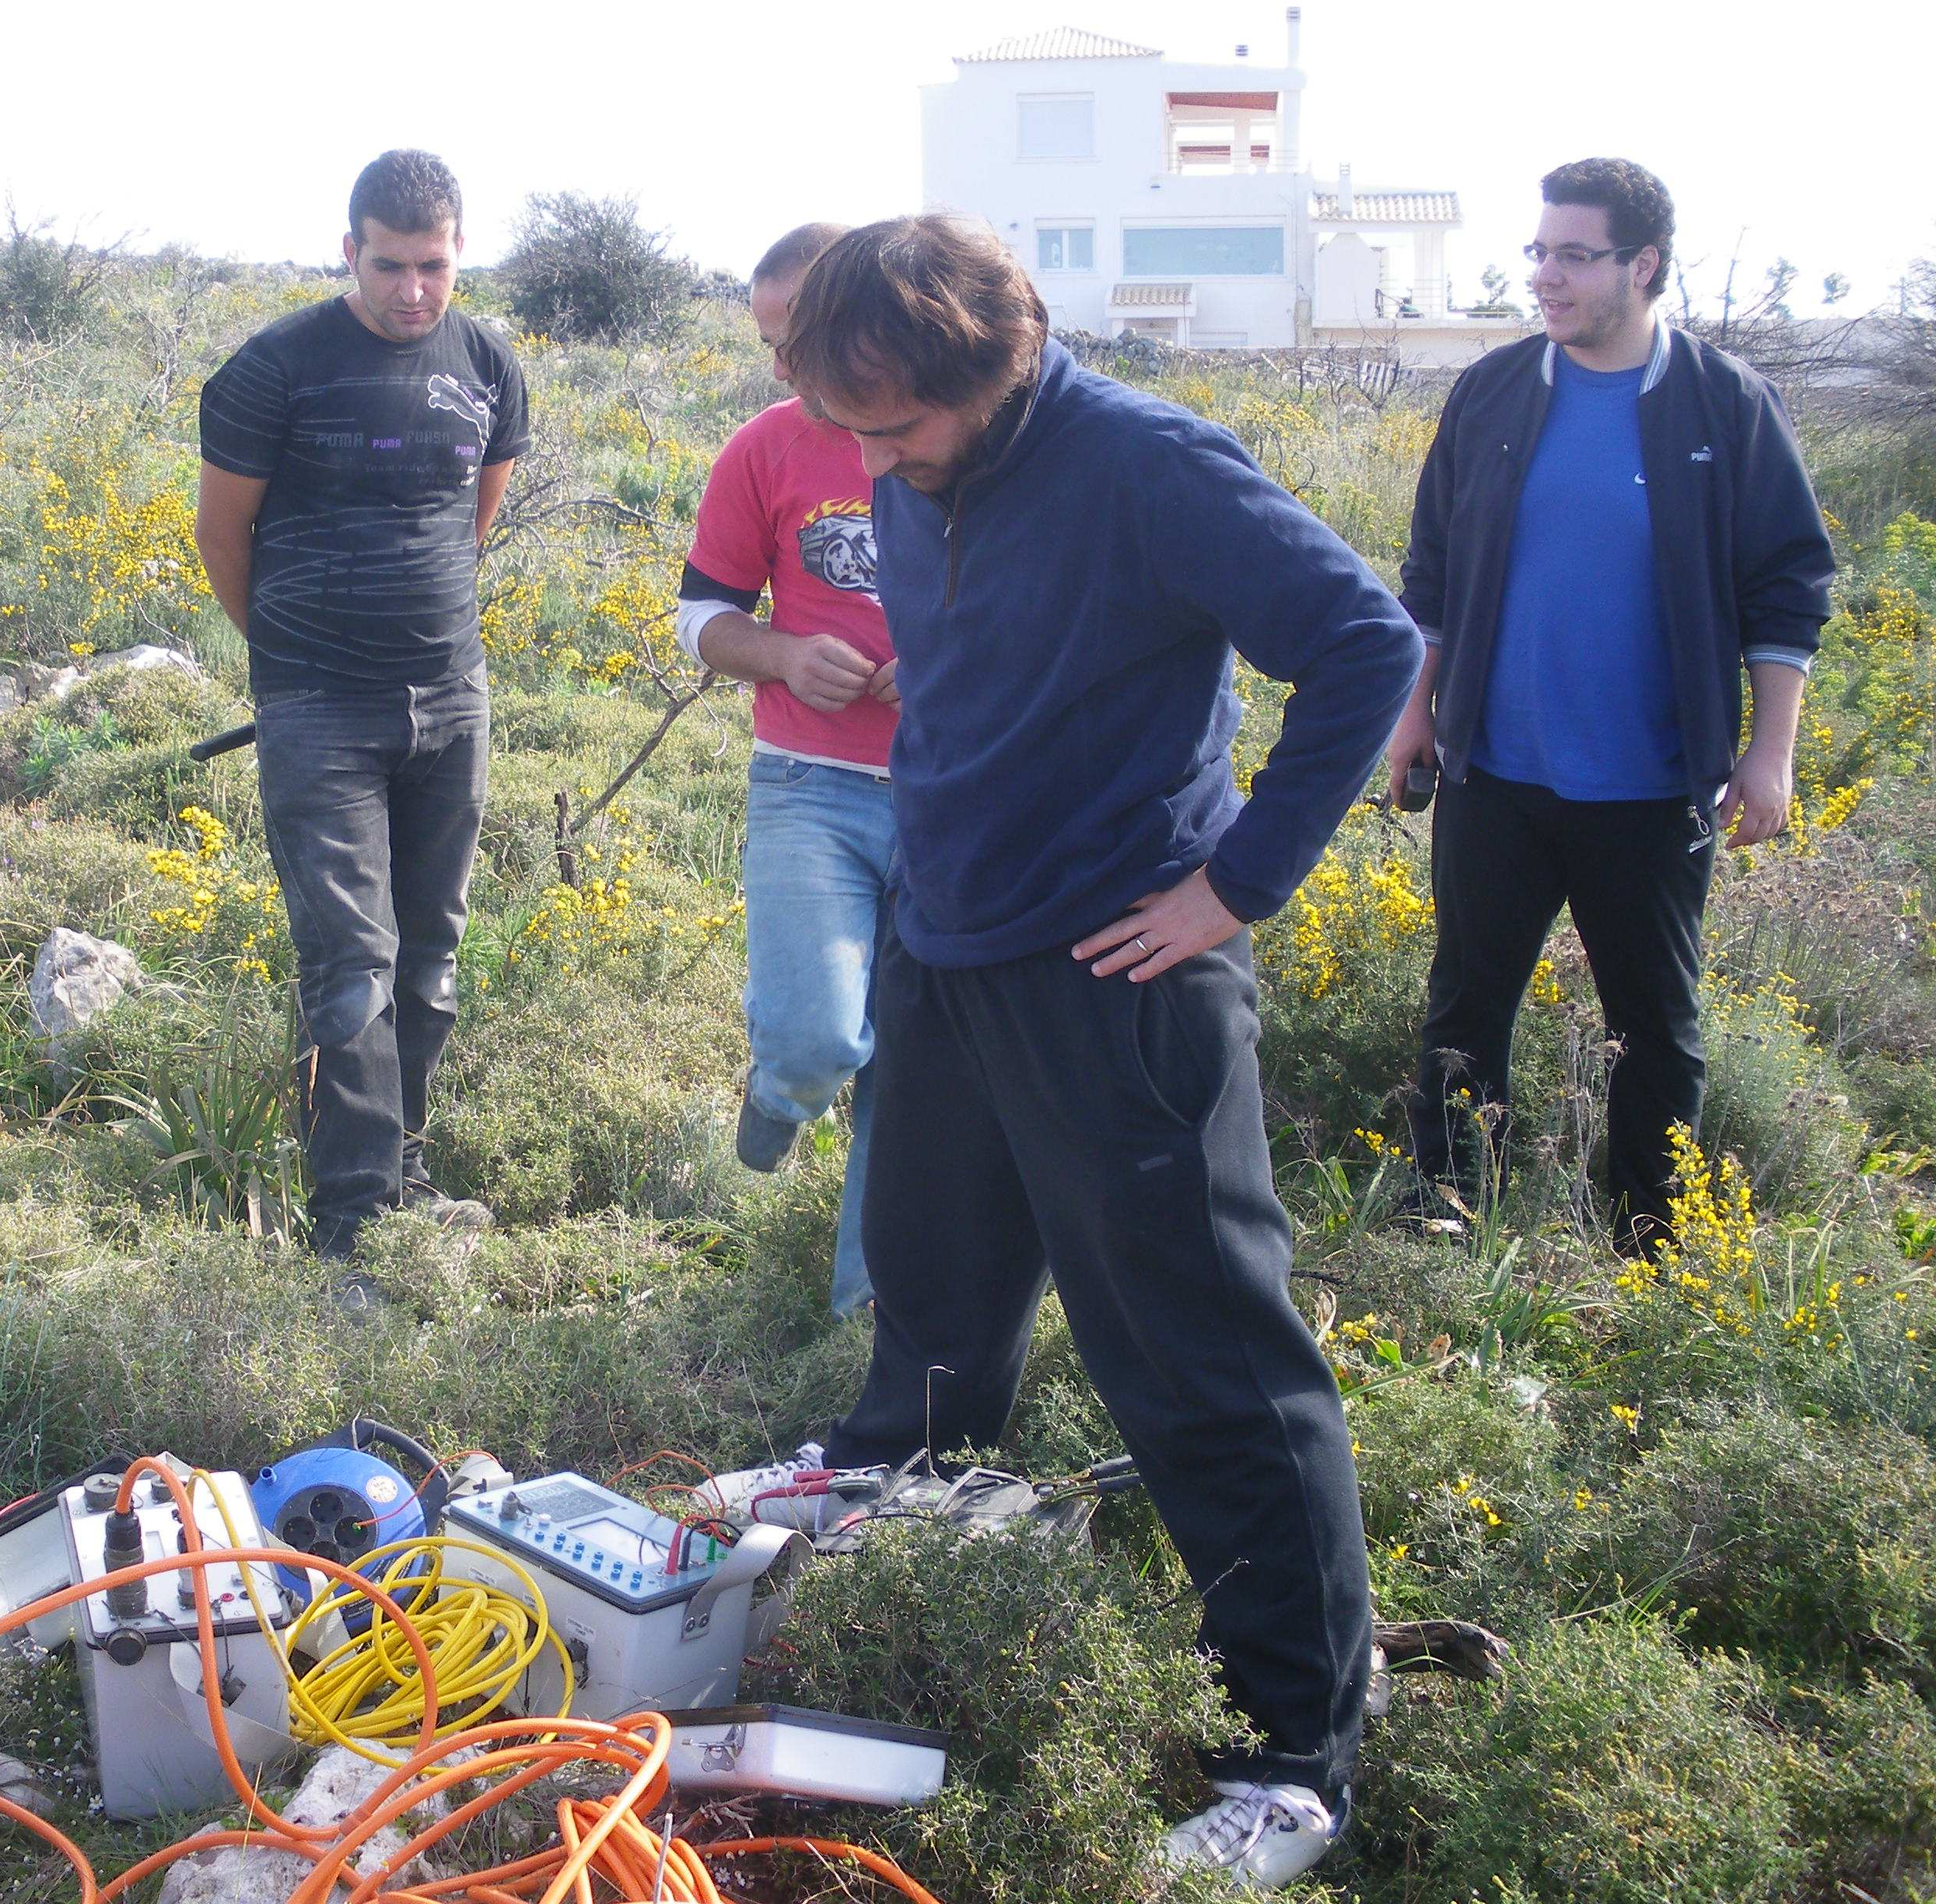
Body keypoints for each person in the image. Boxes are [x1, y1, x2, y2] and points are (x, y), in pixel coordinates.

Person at [781, 215, 1422, 1888]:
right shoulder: (915, 460)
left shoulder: (1151, 466)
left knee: (1197, 1354)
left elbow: (1366, 645)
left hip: (1119, 971)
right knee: (932, 1283)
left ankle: (1299, 1753)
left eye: (897, 424)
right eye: (850, 425)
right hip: (951, 939)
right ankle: (884, 1500)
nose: (872, 458)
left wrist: (1233, 886)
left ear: (994, 366)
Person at [1390, 158, 1836, 1249]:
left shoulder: (1726, 405)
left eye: (1574, 256)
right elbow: (1433, 574)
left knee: (1656, 1031)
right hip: (1493, 774)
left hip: (1649, 788)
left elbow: (1788, 586)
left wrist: (1769, 756)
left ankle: (1652, 1244)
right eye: (1539, 251)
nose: (1545, 275)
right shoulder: (1492, 391)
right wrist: (1414, 715)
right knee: (1463, 1010)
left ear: (1643, 266)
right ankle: (1448, 1216)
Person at [194, 149, 530, 1262]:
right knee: (351, 960)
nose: (412, 291)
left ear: (458, 253)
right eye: (389, 266)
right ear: (349, 250)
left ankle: (405, 1169)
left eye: (432, 266)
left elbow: (468, 516)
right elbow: (221, 534)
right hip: (317, 709)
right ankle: (349, 1224)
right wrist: (295, 659)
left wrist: (420, 644)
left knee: (430, 954)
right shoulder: (273, 367)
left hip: (450, 697)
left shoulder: (487, 362)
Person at [677, 221, 895, 1315]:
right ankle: (782, 1085)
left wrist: (952, 670)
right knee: (819, 1036)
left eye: (796, 338)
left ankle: (868, 1329)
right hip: (812, 787)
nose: (779, 369)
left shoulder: (959, 437)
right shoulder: (763, 448)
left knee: (915, 1087)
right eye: (768, 342)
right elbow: (700, 617)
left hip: (961, 798)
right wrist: (783, 654)